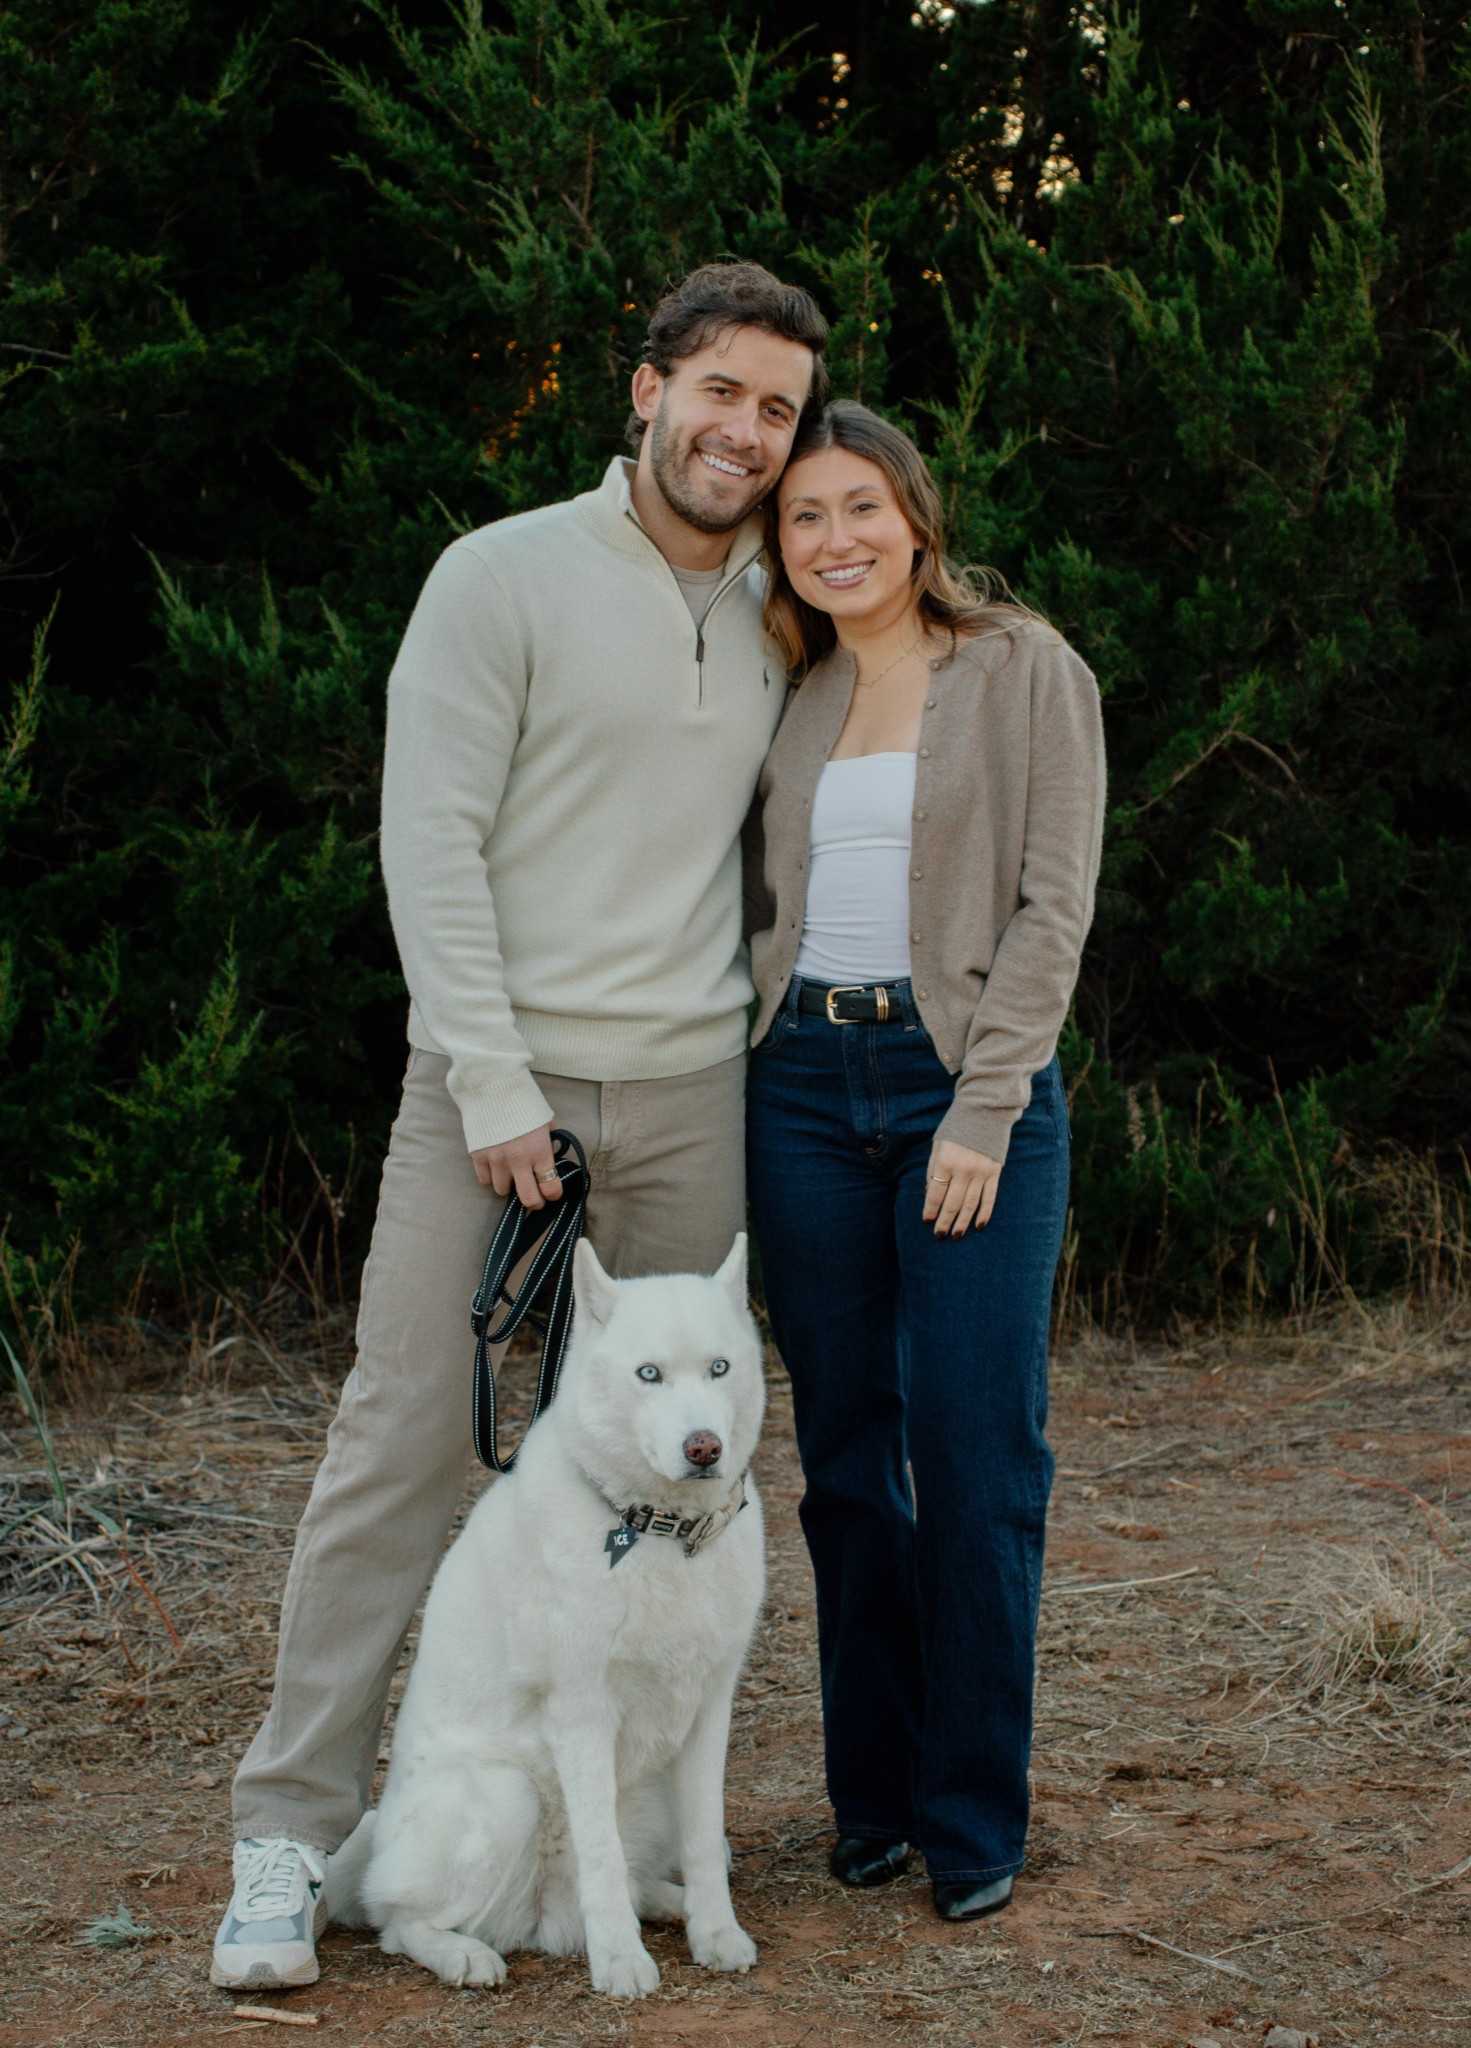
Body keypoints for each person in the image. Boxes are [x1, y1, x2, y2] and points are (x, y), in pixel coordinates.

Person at [211, 262, 829, 1991]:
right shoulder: (500, 576)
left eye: (776, 409)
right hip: (501, 1094)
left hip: (698, 1092)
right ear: (646, 390)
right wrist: (493, 1087)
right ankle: (287, 1835)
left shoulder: (792, 605)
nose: (745, 431)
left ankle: (607, 1845)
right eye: (720, 391)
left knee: (684, 1471)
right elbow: (431, 840)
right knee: (409, 1437)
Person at [744, 401, 1105, 1923]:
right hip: (801, 1093)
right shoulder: (790, 688)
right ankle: (872, 1800)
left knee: (974, 1456)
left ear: (915, 515)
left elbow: (1053, 905)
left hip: (965, 1088)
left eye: (859, 507)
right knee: (844, 1463)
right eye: (804, 516)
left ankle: (974, 1816)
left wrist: (985, 1108)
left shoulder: (1025, 666)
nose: (835, 539)